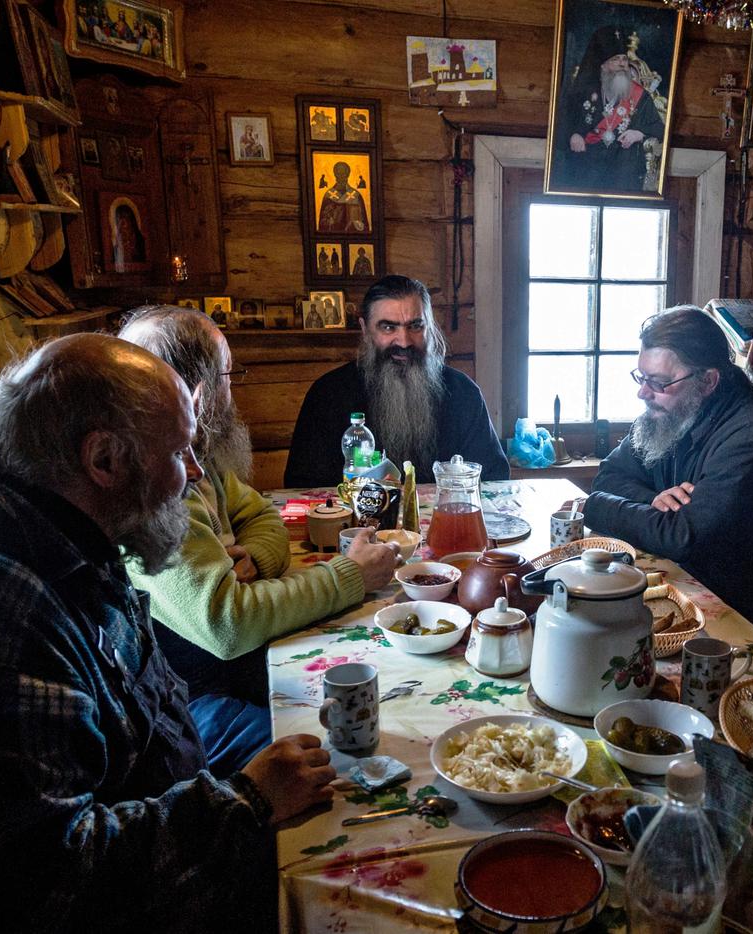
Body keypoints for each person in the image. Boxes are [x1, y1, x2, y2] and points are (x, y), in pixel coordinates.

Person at [0, 334, 338, 931]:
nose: (196, 473)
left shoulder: (66, 534)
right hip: (144, 897)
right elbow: (56, 885)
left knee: (346, 755)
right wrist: (247, 800)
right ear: (104, 460)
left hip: (170, 808)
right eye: (181, 452)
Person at [118, 306, 398, 775]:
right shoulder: (157, 484)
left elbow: (262, 515)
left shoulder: (195, 459)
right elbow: (229, 623)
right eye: (230, 373)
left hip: (233, 666)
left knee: (372, 681)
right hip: (188, 701)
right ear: (199, 389)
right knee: (343, 757)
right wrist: (350, 574)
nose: (235, 388)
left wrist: (256, 561)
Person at [578, 306, 753, 646]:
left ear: (707, 381)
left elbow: (682, 535)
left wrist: (596, 506)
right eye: (641, 377)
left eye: (659, 382)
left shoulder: (752, 436)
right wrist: (653, 500)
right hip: (700, 589)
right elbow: (608, 476)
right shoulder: (669, 410)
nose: (643, 393)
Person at [285, 275, 508, 487]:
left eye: (415, 326)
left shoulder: (463, 393)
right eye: (388, 327)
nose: (404, 341)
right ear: (365, 329)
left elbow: (494, 479)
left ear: (428, 327)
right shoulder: (328, 394)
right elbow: (302, 484)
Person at [554, 25, 665, 193]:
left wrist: (639, 134)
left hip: (623, 169)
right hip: (587, 166)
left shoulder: (640, 96)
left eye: (624, 59)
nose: (622, 64)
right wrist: (574, 135)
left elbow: (659, 128)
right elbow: (563, 125)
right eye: (615, 60)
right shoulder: (583, 92)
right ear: (603, 65)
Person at [317, 161, 369, 233]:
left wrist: (356, 224)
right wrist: (330, 221)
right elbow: (322, 224)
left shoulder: (356, 195)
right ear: (335, 174)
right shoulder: (328, 196)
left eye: (344, 173)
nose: (341, 176)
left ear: (348, 174)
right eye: (338, 173)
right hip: (333, 237)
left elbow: (364, 225)